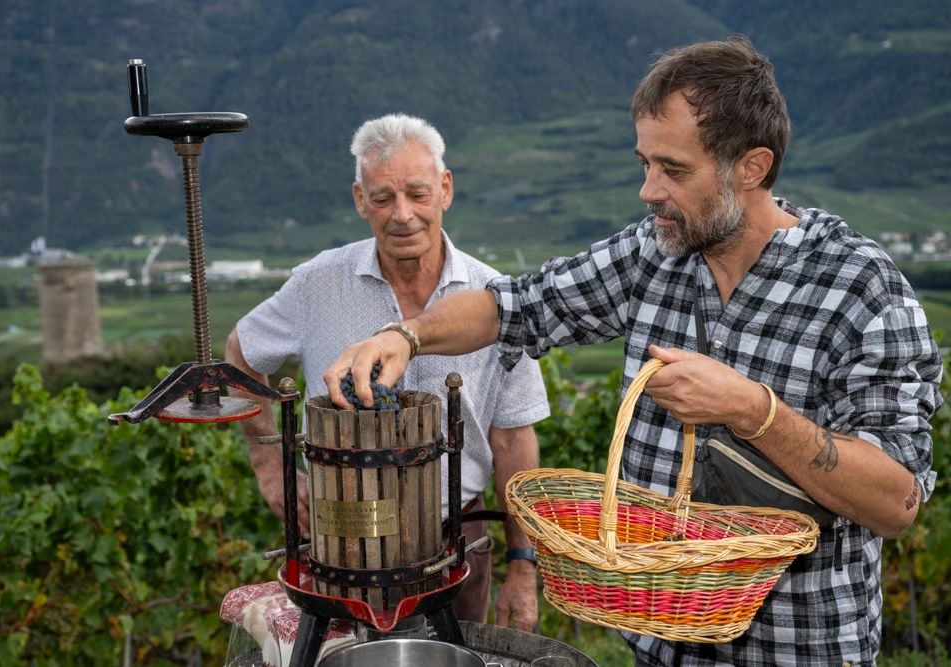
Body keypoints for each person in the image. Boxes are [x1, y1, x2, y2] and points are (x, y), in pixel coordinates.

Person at [324, 38, 943, 666]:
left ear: (751, 168)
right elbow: (512, 306)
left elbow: (896, 502)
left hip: (795, 650)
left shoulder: (859, 288)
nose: (649, 191)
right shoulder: (654, 252)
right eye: (645, 163)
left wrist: (755, 412)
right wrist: (404, 335)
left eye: (673, 170)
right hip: (658, 648)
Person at [225, 113, 550, 631]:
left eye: (418, 194)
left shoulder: (495, 300)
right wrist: (266, 464)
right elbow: (240, 355)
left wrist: (522, 565)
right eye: (383, 198)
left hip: (457, 539)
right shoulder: (317, 285)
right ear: (360, 200)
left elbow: (513, 442)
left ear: (445, 189)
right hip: (341, 541)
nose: (403, 215)